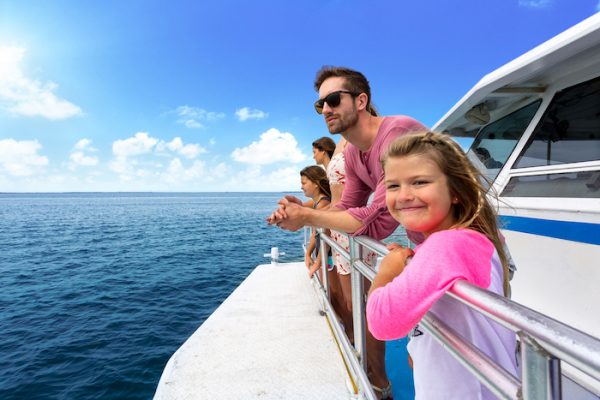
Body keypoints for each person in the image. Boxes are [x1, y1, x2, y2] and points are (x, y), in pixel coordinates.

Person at [268, 66, 427, 399]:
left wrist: (309, 216)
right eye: (320, 105)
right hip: (427, 254)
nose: (325, 109)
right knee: (425, 358)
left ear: (361, 101)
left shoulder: (398, 135)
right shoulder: (354, 153)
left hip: (470, 253)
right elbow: (346, 208)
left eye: (333, 99)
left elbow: (379, 220)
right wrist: (306, 214)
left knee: (469, 363)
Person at [366, 131, 518, 399]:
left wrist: (388, 271)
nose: (403, 196)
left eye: (420, 182)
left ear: (456, 192)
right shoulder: (469, 241)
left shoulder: (446, 246)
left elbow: (381, 322)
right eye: (393, 186)